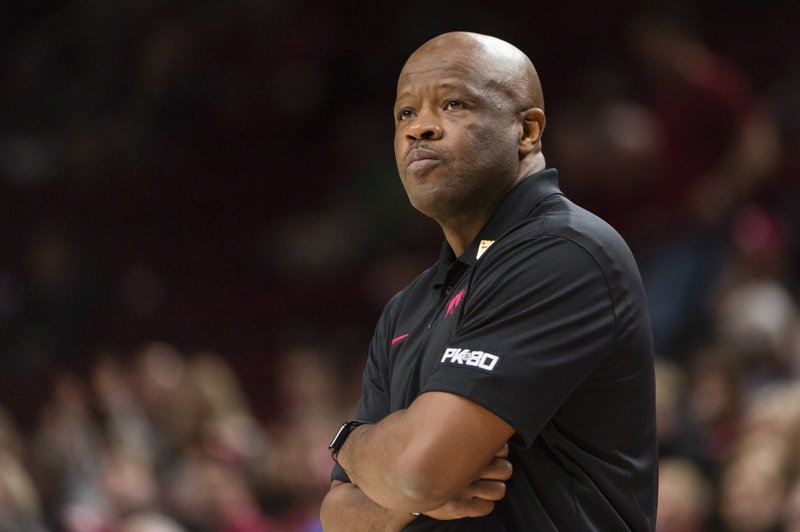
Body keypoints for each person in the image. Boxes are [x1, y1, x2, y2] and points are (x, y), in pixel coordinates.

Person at [320, 31, 657, 531]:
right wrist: (400, 483)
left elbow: (419, 473)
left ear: (527, 131)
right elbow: (337, 516)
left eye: (452, 104)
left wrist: (354, 445)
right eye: (405, 114)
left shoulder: (565, 252)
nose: (420, 130)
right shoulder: (407, 306)